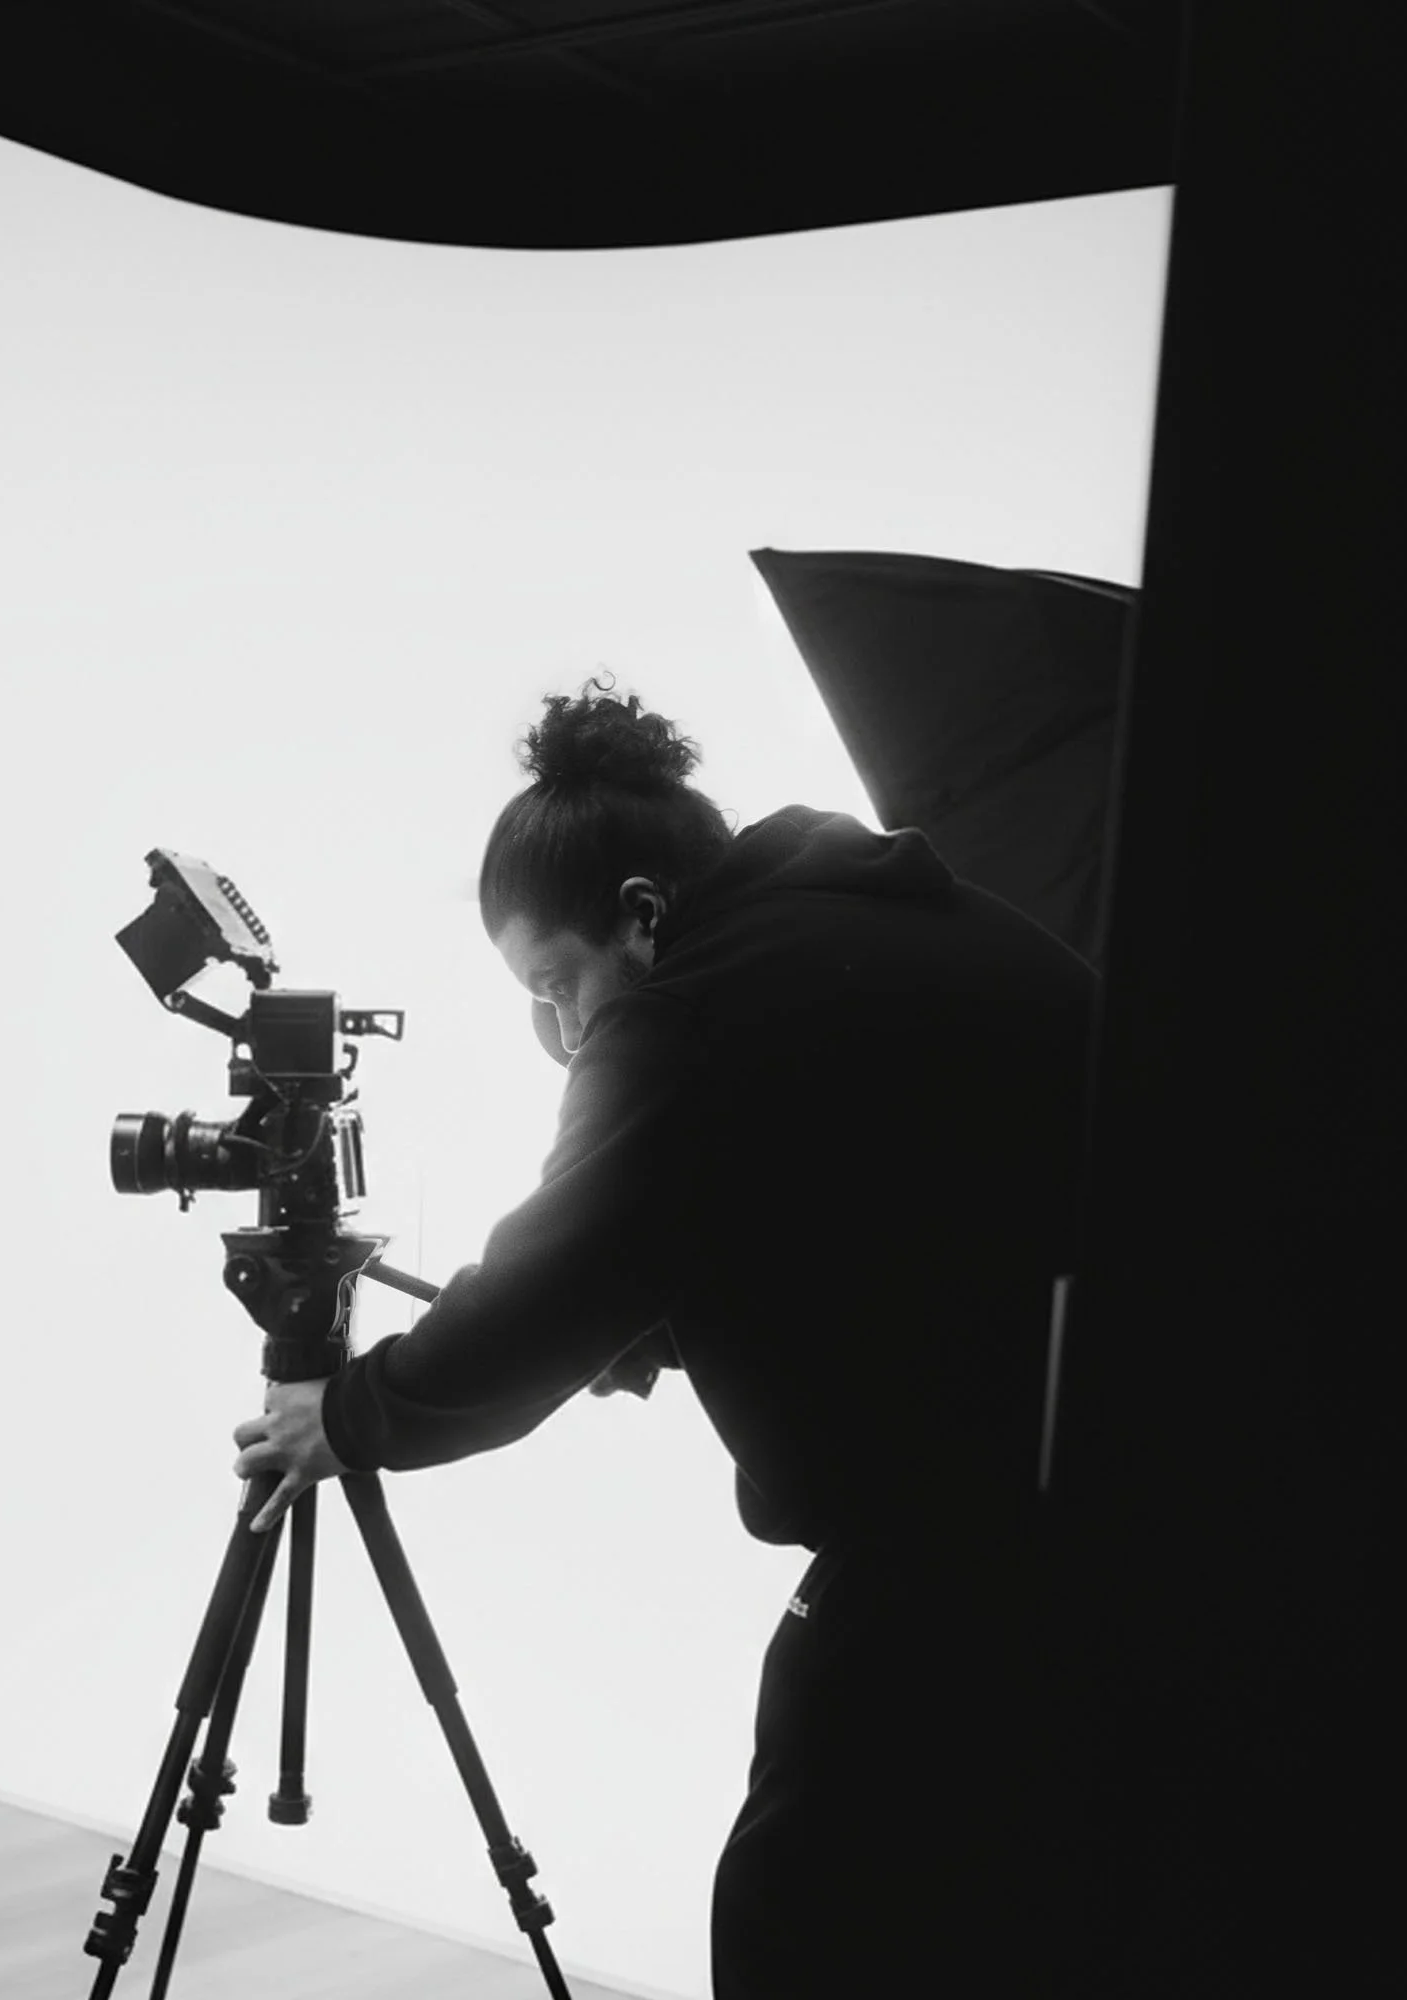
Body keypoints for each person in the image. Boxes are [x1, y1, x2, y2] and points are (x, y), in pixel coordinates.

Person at [233, 673, 1101, 1994]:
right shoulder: (898, 921)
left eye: (553, 982)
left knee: (796, 1921)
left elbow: (543, 1293)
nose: (554, 1032)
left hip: (962, 1554)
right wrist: (658, 1319)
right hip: (1124, 1505)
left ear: (641, 914)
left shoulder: (694, 1000)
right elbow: (871, 1222)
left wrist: (345, 1417)